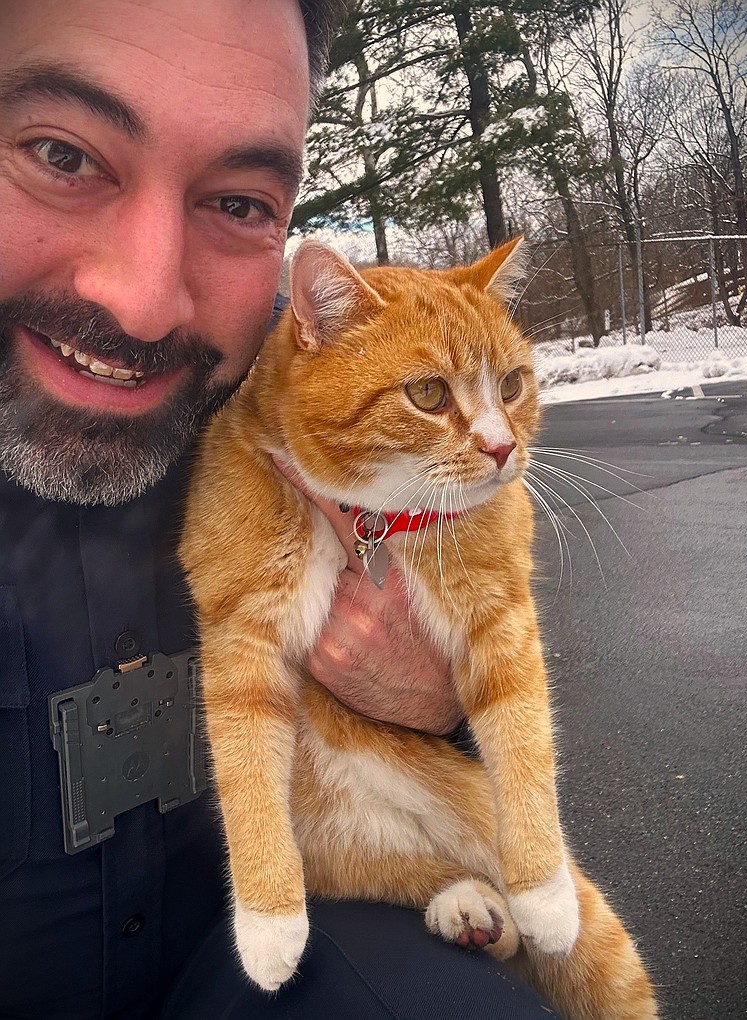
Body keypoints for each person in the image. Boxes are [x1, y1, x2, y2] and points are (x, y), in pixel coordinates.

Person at [0, 2, 558, 1017]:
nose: (145, 300)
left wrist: (434, 698)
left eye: (241, 203)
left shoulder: (304, 402)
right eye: (60, 154)